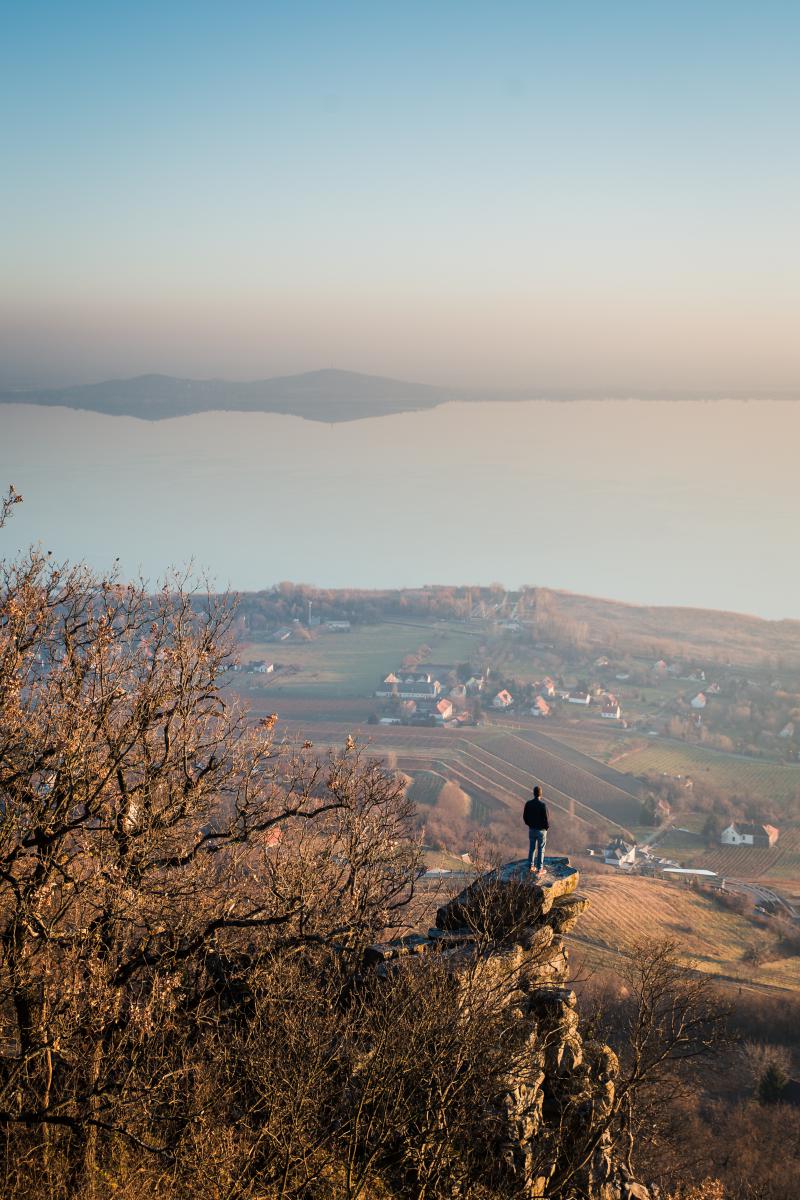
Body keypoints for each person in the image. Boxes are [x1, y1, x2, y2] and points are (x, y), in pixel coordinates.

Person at [523, 785, 549, 874]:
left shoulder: (528, 804)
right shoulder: (543, 805)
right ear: (540, 794)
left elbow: (525, 817)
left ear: (533, 793)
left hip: (532, 829)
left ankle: (530, 866)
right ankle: (539, 869)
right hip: (541, 830)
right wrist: (546, 828)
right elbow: (546, 819)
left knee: (532, 848)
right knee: (541, 849)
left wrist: (529, 824)